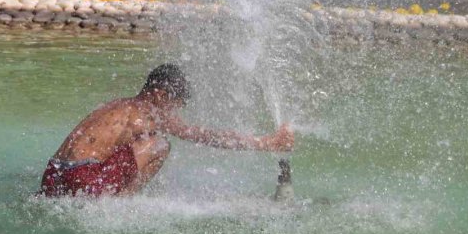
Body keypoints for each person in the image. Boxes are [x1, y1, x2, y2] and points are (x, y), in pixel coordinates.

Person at [40, 64, 294, 197]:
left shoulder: (117, 106)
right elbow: (205, 136)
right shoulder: (148, 111)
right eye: (175, 105)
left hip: (53, 176)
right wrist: (267, 143)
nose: (175, 113)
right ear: (160, 95)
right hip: (81, 180)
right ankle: (121, 205)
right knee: (160, 145)